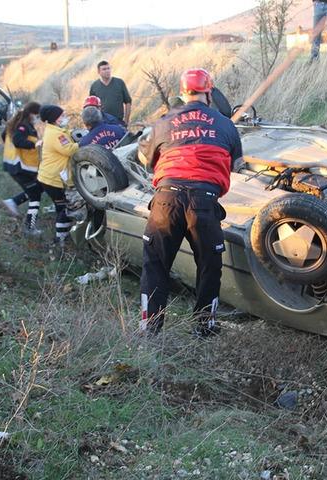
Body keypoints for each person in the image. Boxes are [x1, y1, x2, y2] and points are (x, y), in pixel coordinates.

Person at [137, 68, 243, 338]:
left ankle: (150, 329)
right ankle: (204, 328)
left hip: (165, 200)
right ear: (209, 92)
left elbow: (148, 162)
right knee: (209, 267)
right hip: (204, 203)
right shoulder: (226, 124)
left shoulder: (163, 122)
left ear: (183, 94)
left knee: (155, 266)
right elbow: (238, 164)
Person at [36, 104, 79, 246]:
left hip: (49, 176)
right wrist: (85, 142)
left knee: (62, 206)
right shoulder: (56, 134)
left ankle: (62, 236)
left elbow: (66, 137)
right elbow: (69, 150)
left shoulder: (55, 130)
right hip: (53, 178)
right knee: (65, 207)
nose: (65, 117)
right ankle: (60, 239)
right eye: (62, 115)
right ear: (55, 118)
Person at [1, 101, 44, 235]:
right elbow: (18, 141)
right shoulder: (23, 126)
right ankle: (29, 228)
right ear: (32, 113)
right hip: (20, 167)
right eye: (37, 115)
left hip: (17, 166)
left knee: (39, 187)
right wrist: (35, 144)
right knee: (35, 195)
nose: (38, 118)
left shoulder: (16, 123)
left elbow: (4, 136)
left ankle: (13, 202)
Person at [88, 60, 132, 126]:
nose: (107, 71)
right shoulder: (94, 86)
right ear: (99, 72)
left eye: (108, 68)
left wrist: (126, 120)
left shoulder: (119, 83)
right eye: (104, 69)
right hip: (101, 122)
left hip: (118, 121)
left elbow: (128, 102)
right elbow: (92, 107)